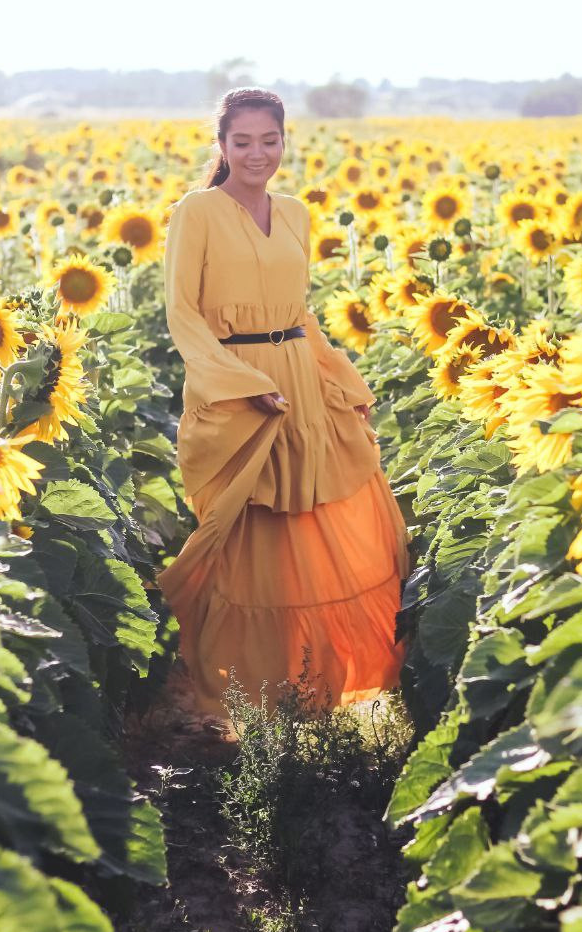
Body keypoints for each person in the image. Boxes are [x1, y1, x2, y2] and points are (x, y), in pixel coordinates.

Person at [155, 87, 412, 726]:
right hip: (235, 385)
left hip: (297, 377)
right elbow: (182, 314)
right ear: (221, 146)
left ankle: (316, 691)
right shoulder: (198, 210)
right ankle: (241, 696)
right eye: (242, 142)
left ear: (283, 142)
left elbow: (300, 316)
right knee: (250, 537)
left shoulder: (295, 213)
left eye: (269, 140)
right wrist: (237, 382)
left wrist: (341, 382)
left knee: (316, 522)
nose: (256, 153)